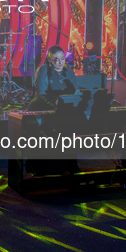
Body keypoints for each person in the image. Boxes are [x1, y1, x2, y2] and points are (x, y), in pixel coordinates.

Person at [26, 45, 81, 175]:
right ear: (49, 60)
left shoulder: (69, 72)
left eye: (62, 59)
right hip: (42, 106)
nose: (59, 62)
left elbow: (76, 90)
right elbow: (41, 94)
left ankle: (69, 164)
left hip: (63, 107)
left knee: (69, 131)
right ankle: (44, 168)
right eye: (55, 59)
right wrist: (55, 101)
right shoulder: (44, 70)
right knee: (48, 134)